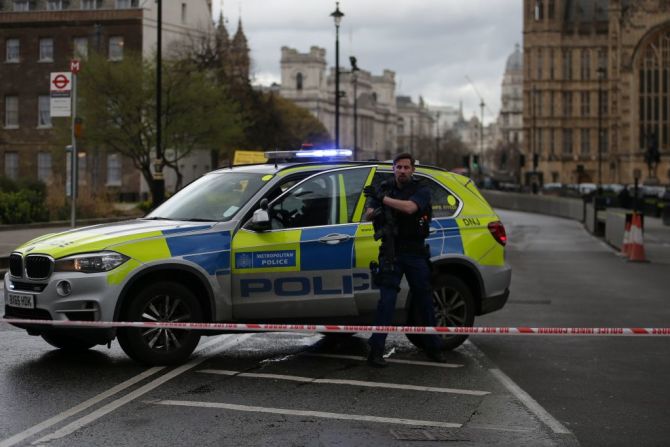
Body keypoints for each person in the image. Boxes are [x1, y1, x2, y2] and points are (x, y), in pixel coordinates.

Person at [363, 153, 446, 367]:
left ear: (412, 170)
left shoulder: (421, 189)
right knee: (386, 302)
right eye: (398, 167)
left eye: (406, 167)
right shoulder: (384, 188)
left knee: (425, 299)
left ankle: (433, 347)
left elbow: (410, 208)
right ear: (393, 169)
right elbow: (368, 214)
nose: (402, 171)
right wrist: (375, 209)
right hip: (391, 250)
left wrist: (383, 199)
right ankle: (376, 350)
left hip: (415, 251)